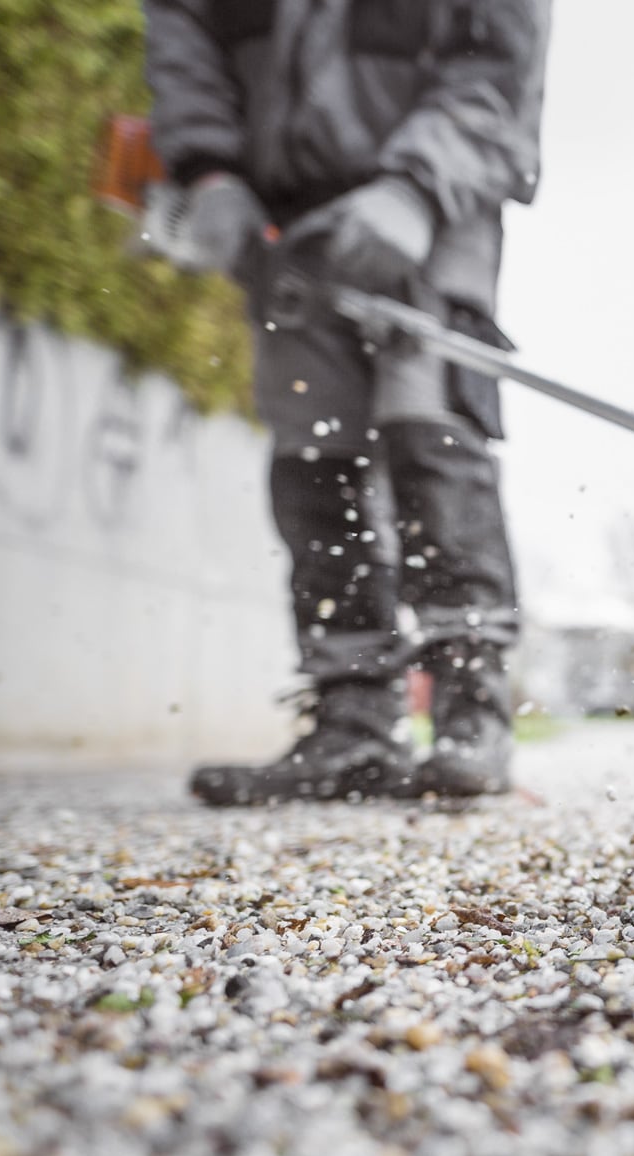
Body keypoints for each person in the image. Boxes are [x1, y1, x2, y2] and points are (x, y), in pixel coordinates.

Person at [141, 0, 551, 804]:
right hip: (285, 216)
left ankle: (472, 710)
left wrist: (419, 185)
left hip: (435, 199)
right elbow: (185, 26)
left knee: (430, 430)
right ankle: (350, 721)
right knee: (312, 454)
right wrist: (207, 168)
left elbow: (499, 57)